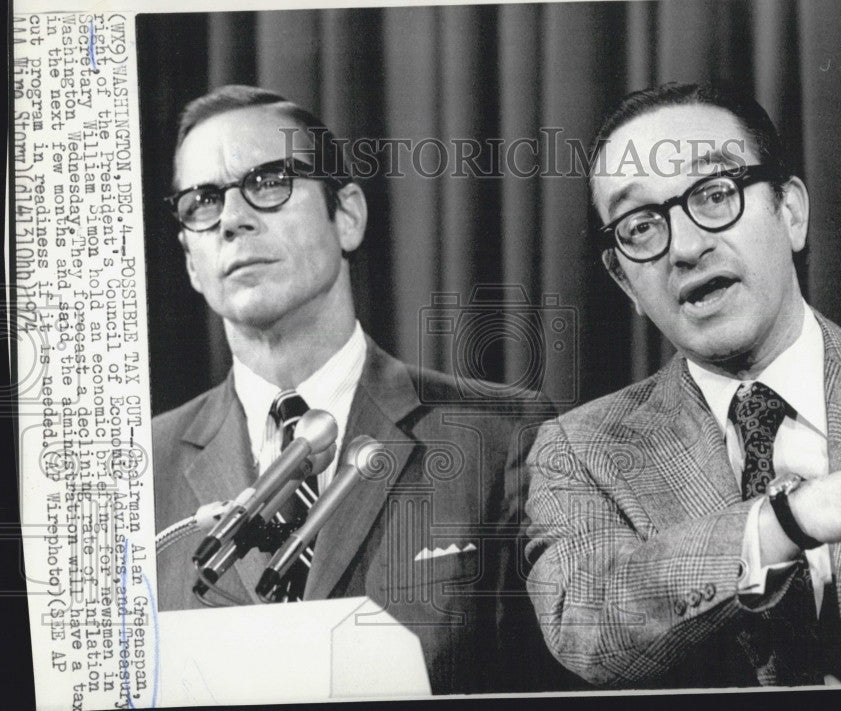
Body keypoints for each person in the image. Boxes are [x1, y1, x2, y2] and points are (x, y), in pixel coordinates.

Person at [524, 82, 841, 687]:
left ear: (790, 212)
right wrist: (792, 520)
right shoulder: (579, 451)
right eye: (640, 225)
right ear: (623, 282)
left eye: (715, 194)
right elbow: (585, 626)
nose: (686, 248)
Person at [152, 85, 578, 695]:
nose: (232, 219)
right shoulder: (139, 468)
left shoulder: (501, 434)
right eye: (203, 200)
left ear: (346, 214)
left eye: (268, 181)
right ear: (191, 262)